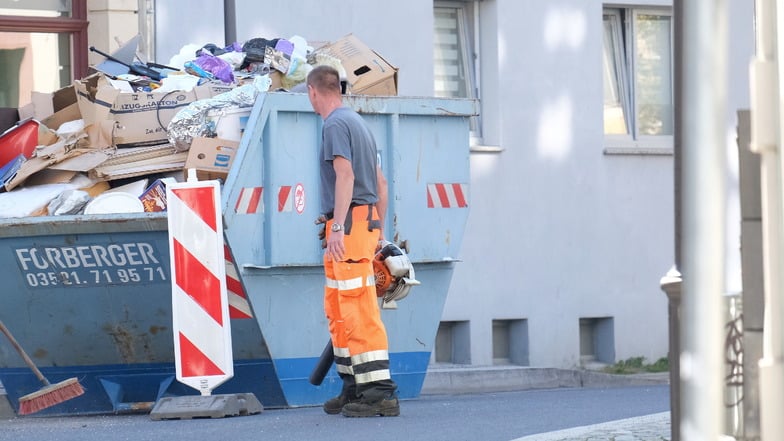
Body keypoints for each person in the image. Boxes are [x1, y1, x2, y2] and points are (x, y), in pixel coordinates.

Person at [307, 65, 399, 418]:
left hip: (348, 228)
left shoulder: (333, 125)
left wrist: (337, 227)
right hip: (363, 225)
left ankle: (380, 393)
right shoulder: (359, 124)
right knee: (342, 308)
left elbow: (345, 175)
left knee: (357, 309)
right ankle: (355, 387)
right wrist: (377, 231)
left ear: (315, 92)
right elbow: (381, 184)